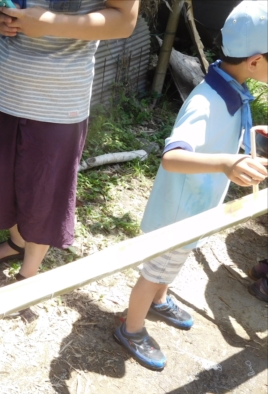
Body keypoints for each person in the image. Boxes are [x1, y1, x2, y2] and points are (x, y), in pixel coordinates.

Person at [114, 0, 268, 371]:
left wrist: (250, 139)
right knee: (155, 270)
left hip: (196, 204)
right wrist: (227, 162)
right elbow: (172, 156)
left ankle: (159, 299)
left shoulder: (230, 87)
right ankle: (131, 326)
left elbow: (219, 136)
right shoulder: (208, 101)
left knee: (173, 262)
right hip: (178, 210)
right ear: (256, 61)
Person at [0, 0, 139, 321]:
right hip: (3, 91)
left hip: (59, 103)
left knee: (44, 193)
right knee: (4, 181)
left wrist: (49, 23)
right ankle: (17, 242)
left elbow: (124, 22)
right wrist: (0, 20)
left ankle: (28, 276)